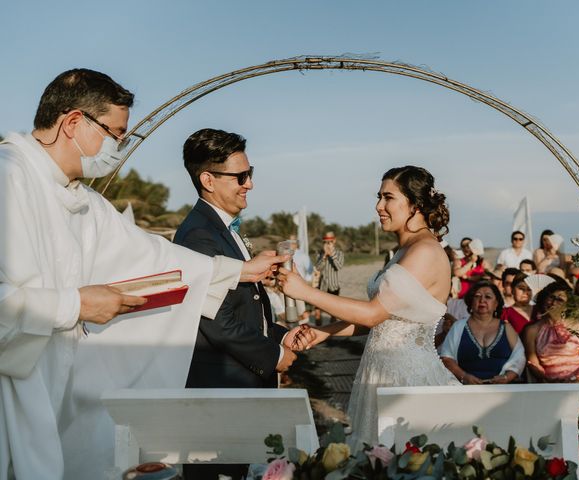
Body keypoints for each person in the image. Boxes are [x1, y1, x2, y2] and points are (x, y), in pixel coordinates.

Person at [0, 70, 287, 480]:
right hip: (11, 387)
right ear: (73, 123)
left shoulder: (82, 199)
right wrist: (75, 304)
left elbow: (152, 255)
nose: (117, 148)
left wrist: (239, 270)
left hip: (55, 384)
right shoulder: (8, 177)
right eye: (116, 134)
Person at [277, 165, 460, 448]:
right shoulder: (404, 251)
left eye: (388, 198)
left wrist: (305, 291)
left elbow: (373, 314)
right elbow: (382, 317)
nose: (378, 206)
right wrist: (325, 331)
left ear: (415, 204)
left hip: (405, 377)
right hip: (379, 370)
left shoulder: (424, 251)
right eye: (379, 197)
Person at [174, 129, 313, 480]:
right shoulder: (198, 235)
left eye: (250, 174)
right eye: (241, 176)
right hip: (220, 385)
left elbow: (242, 305)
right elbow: (215, 319)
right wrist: (273, 356)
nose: (249, 184)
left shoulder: (224, 229)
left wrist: (281, 335)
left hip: (238, 383)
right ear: (207, 179)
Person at [522, 281, 579, 403]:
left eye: (560, 300)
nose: (553, 303)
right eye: (551, 297)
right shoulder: (532, 330)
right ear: (543, 299)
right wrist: (545, 377)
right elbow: (532, 360)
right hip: (548, 384)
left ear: (568, 305)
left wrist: (577, 380)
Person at [440, 282, 525, 384]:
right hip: (465, 390)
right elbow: (447, 358)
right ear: (471, 302)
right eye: (477, 296)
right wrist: (464, 377)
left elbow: (520, 357)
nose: (482, 300)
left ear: (496, 304)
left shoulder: (506, 327)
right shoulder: (458, 327)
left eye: (488, 297)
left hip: (501, 391)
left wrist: (506, 377)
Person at [313, 231, 344, 324]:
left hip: (333, 286)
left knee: (333, 314)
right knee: (317, 313)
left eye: (330, 241)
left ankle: (332, 335)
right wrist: (324, 256)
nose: (327, 244)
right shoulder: (320, 253)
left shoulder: (339, 253)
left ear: (334, 241)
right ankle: (318, 334)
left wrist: (332, 255)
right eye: (325, 242)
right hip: (321, 286)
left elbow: (339, 267)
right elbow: (318, 268)